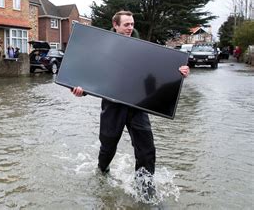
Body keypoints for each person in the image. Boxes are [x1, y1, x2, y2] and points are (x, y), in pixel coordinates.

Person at [72, 10, 190, 178]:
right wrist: (80, 91)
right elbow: (92, 72)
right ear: (115, 25)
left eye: (132, 24)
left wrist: (179, 72)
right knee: (108, 146)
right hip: (112, 105)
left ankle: (145, 188)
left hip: (137, 104)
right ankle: (102, 173)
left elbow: (156, 70)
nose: (130, 27)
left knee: (147, 149)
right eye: (126, 24)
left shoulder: (142, 48)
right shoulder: (103, 45)